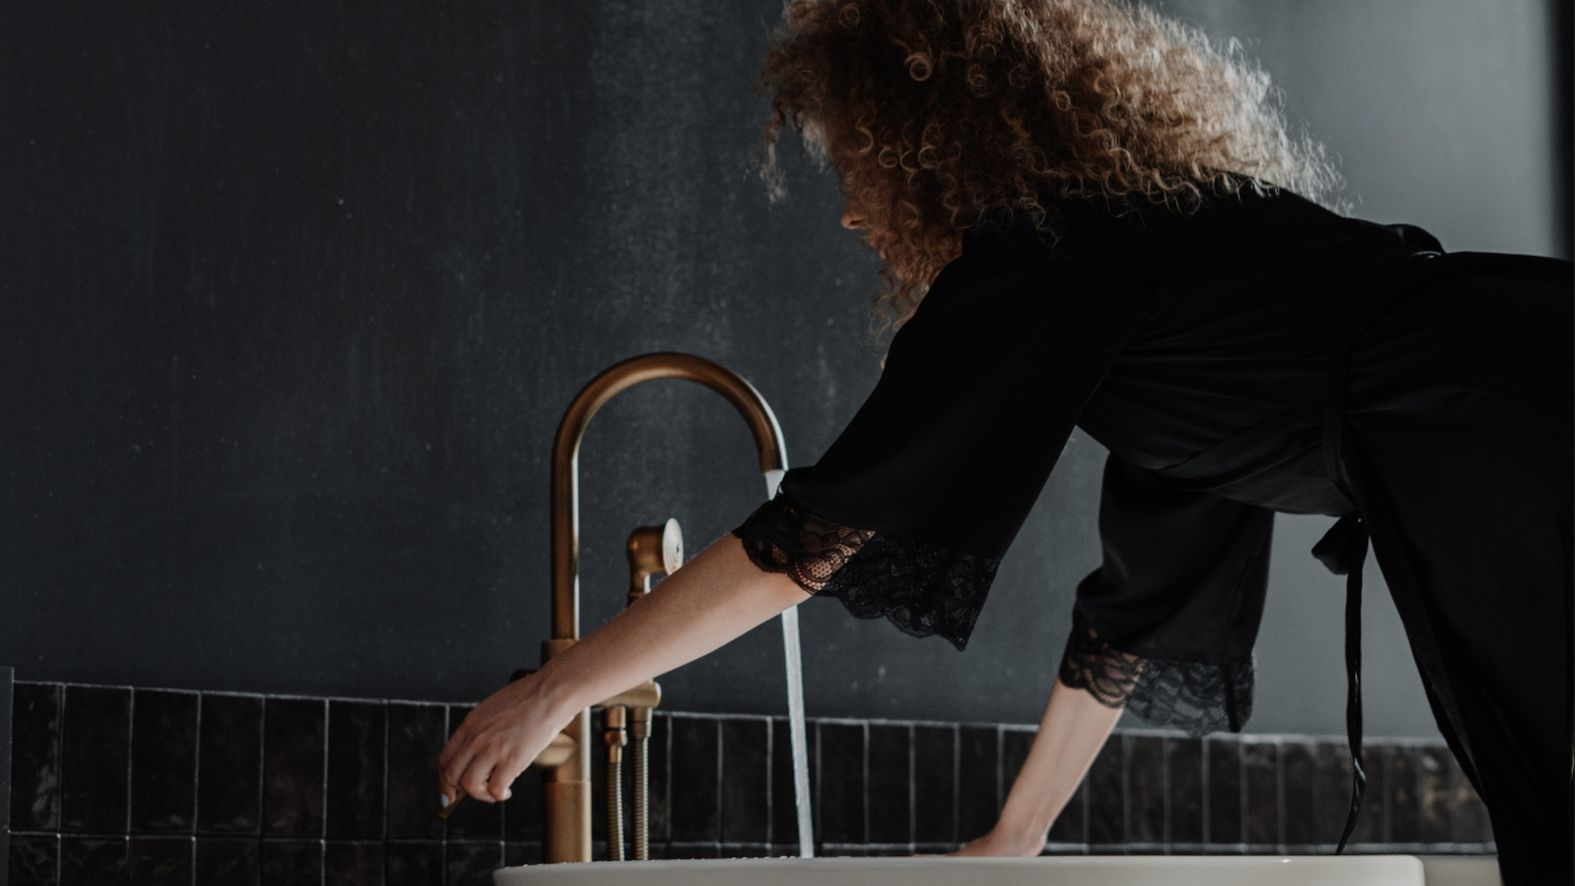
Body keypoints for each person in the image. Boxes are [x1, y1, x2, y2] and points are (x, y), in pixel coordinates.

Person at [438, 2, 1572, 883]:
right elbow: (1133, 611)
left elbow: (821, 533)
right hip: (1493, 404)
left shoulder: (1048, 248)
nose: (847, 209)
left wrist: (565, 685)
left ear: (930, 145)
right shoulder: (1161, 273)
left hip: (1497, 415)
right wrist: (1016, 835)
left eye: (856, 163)